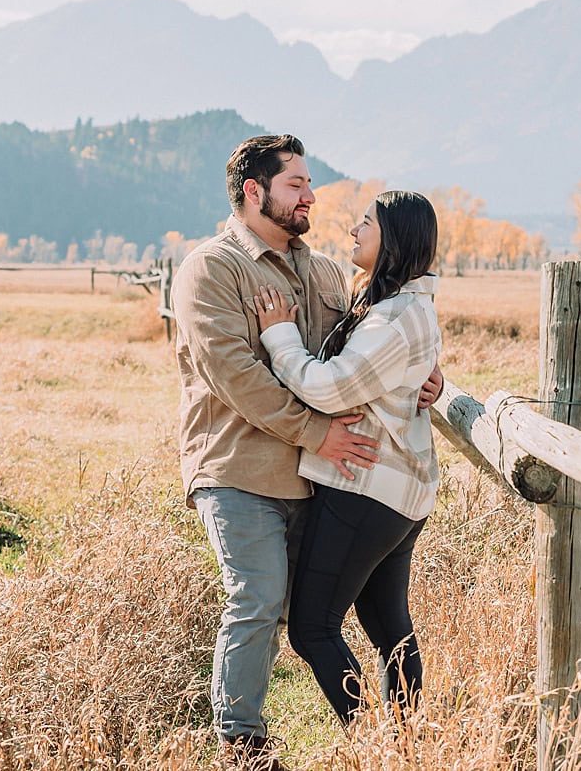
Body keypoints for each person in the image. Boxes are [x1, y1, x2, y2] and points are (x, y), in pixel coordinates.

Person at [173, 135, 439, 771]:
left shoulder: (321, 271)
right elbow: (235, 374)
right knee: (259, 597)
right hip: (240, 467)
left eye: (309, 184)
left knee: (313, 615)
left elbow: (370, 344)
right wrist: (316, 431)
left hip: (317, 475)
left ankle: (388, 746)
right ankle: (242, 742)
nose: (311, 196)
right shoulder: (212, 268)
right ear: (253, 192)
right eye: (295, 184)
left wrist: (423, 378)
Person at [255, 190, 441, 725]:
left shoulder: (394, 317)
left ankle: (370, 739)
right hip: (399, 494)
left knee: (313, 627)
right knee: (386, 625)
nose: (354, 231)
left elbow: (330, 388)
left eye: (366, 223)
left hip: (367, 490)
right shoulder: (408, 303)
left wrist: (279, 336)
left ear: (395, 239)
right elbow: (409, 365)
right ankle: (405, 745)